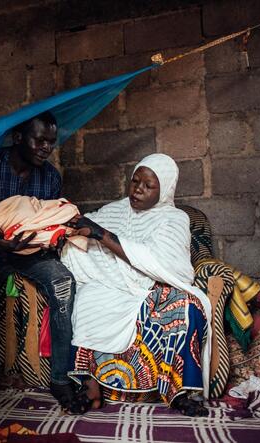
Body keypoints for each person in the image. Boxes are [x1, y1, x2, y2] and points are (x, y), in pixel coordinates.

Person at [0, 112, 84, 420]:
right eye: (40, 140)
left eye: (51, 142)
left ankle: (60, 381)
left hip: (28, 252)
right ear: (18, 138)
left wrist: (45, 237)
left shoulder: (50, 177)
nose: (46, 148)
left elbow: (49, 218)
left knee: (63, 283)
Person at [61, 153, 212, 416]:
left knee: (187, 306)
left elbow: (161, 264)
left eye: (148, 185)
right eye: (135, 181)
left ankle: (178, 393)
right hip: (112, 284)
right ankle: (91, 388)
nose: (138, 189)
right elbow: (85, 226)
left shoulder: (174, 219)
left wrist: (102, 235)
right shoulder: (117, 210)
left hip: (152, 287)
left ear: (164, 189)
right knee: (87, 298)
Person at [0, 195, 87, 256]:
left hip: (43, 247)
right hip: (8, 256)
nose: (46, 150)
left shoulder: (51, 176)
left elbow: (40, 206)